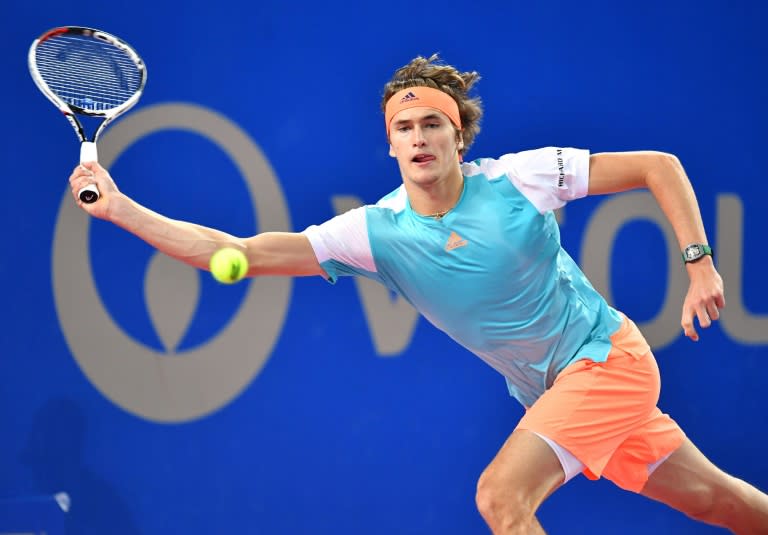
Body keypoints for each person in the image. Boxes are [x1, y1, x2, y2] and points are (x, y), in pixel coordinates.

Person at [68, 54, 768, 534]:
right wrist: (122, 209)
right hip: (554, 389)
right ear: (392, 146)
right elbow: (241, 254)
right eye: (403, 128)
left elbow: (658, 165)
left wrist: (699, 264)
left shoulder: (517, 179)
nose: (418, 136)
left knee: (500, 495)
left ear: (459, 135)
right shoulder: (374, 232)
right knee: (725, 504)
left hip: (607, 360)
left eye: (432, 123)